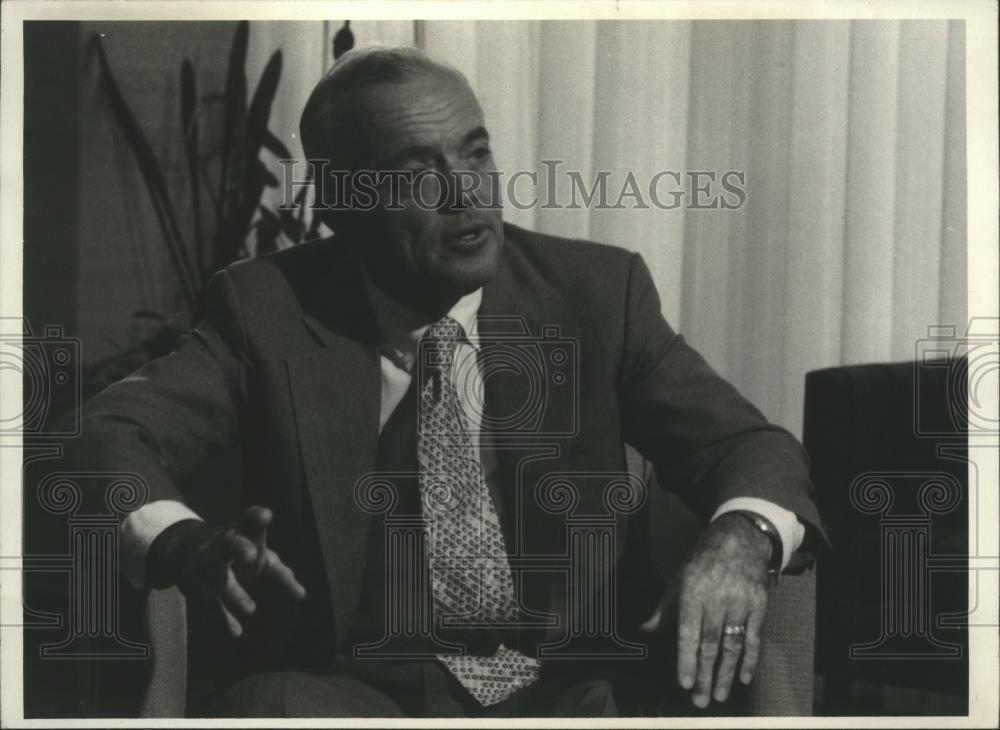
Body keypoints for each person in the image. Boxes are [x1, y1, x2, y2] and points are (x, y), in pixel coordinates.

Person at [66, 46, 825, 717]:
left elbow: (748, 446)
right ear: (340, 204)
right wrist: (181, 542)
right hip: (351, 694)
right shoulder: (265, 310)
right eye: (415, 174)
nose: (466, 195)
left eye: (476, 155)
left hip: (573, 691)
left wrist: (740, 536)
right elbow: (109, 434)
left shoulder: (596, 294)